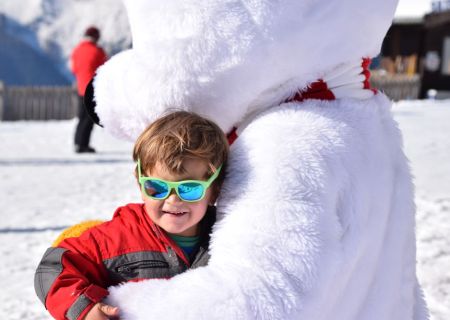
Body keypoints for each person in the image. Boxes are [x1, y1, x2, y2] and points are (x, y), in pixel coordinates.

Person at [34, 111, 229, 320]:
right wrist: (83, 307)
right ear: (140, 182)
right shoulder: (115, 238)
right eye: (156, 187)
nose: (173, 200)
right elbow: (51, 269)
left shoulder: (230, 235)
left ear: (214, 190)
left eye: (189, 189)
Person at [71, 26, 108, 153]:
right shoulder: (98, 51)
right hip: (93, 88)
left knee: (81, 117)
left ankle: (77, 143)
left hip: (80, 87)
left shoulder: (77, 50)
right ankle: (83, 145)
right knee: (89, 118)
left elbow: (74, 69)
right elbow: (105, 68)